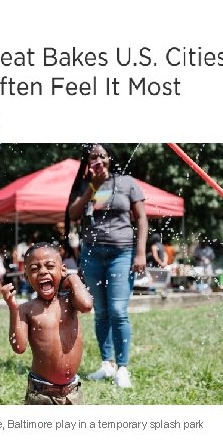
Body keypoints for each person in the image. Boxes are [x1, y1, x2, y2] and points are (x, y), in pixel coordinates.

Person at [66, 143, 147, 388]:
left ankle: (123, 368)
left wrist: (140, 252)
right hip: (92, 255)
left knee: (118, 311)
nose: (98, 159)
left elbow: (142, 218)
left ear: (109, 158)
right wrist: (93, 185)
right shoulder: (86, 186)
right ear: (88, 162)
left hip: (121, 254)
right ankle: (107, 364)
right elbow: (73, 214)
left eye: (102, 155)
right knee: (100, 312)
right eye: (93, 156)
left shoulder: (127, 183)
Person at [1, 242, 93, 405]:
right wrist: (13, 309)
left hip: (73, 391)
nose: (43, 271)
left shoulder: (70, 301)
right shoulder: (26, 309)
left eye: (50, 266)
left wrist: (73, 277)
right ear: (27, 277)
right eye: (35, 268)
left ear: (62, 270)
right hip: (41, 392)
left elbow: (86, 305)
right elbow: (19, 347)